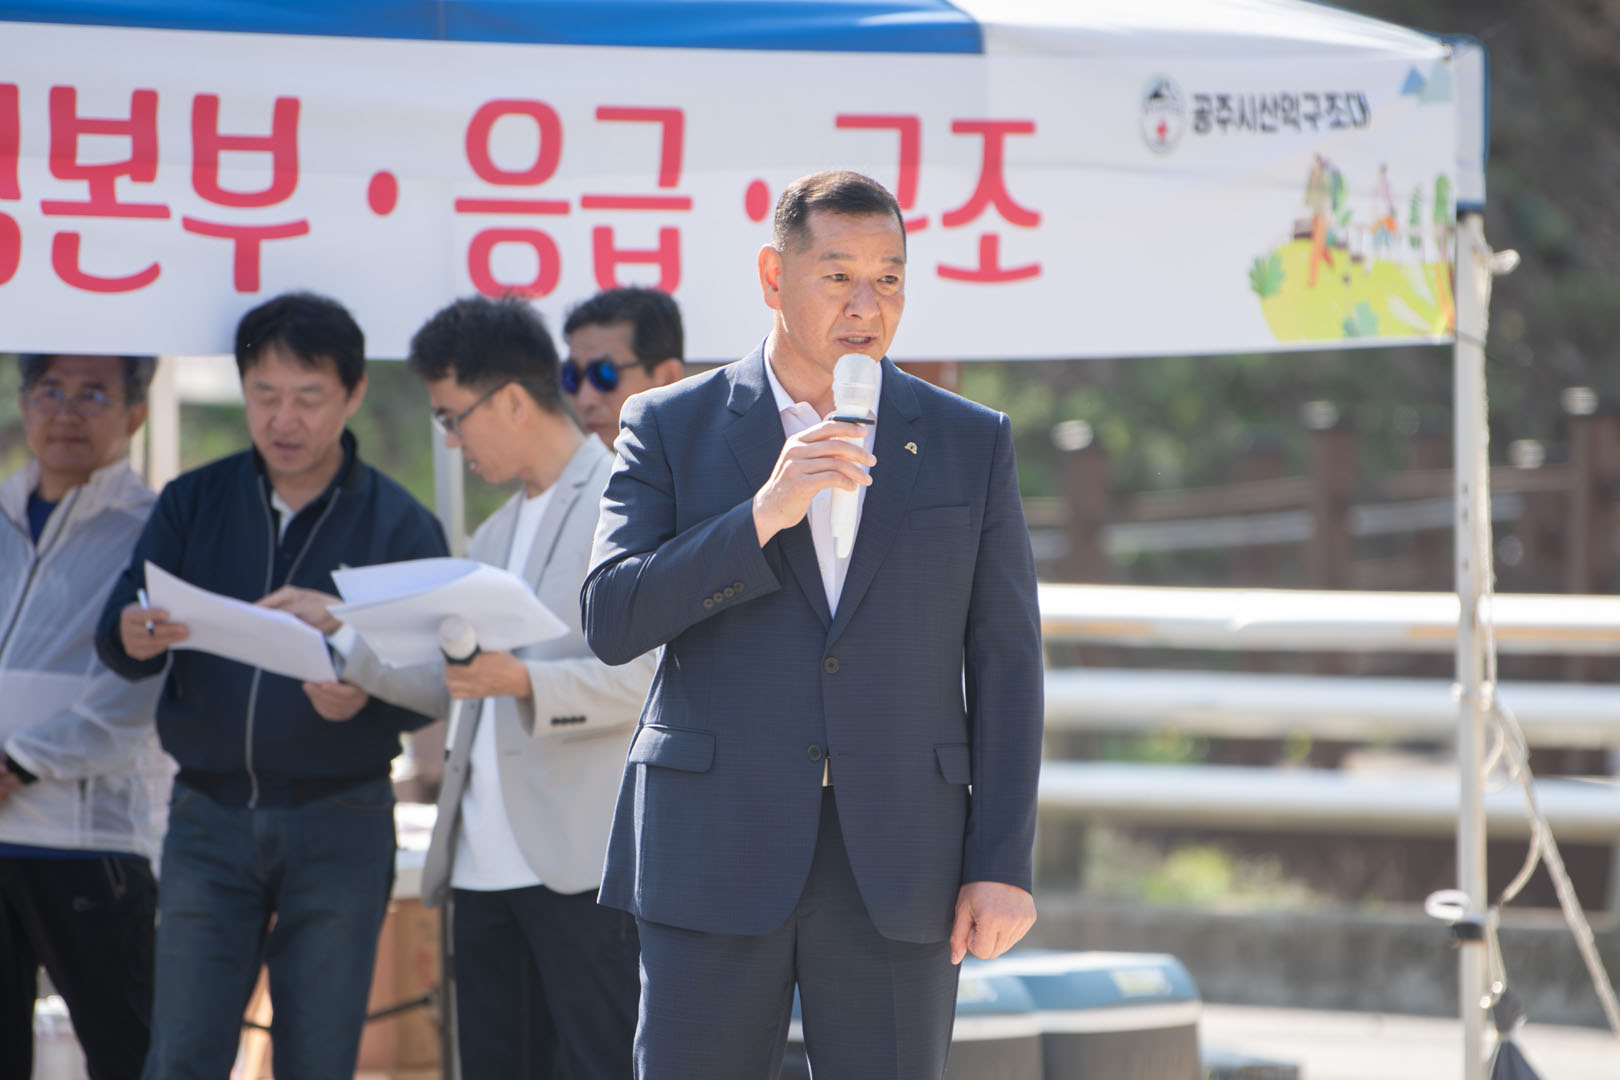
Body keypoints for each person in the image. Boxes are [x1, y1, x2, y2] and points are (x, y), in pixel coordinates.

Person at [581, 170, 1044, 1079]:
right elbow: (613, 615)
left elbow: (1007, 663)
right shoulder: (670, 424)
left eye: (889, 279)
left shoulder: (968, 440)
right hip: (713, 843)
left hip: (901, 857)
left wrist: (1002, 860)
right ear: (773, 277)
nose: (866, 305)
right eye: (837, 276)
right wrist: (762, 513)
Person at [93, 292, 448, 1080]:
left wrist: (365, 691)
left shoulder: (398, 525)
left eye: (308, 397)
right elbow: (121, 628)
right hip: (206, 817)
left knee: (317, 1058)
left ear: (353, 394)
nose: (283, 420)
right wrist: (130, 632)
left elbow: (437, 681)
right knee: (181, 1054)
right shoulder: (194, 500)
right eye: (264, 395)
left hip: (341, 820)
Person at [337, 296, 653, 1079]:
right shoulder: (493, 532)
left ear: (512, 401)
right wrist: (339, 640)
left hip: (581, 863)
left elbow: (651, 681)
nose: (450, 439)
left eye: (453, 417)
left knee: (602, 1065)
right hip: (479, 863)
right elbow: (460, 686)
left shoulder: (625, 502)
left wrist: (522, 679)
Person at [1, 354, 167, 1080]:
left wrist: (21, 763)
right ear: (24, 402)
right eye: (51, 390)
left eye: (94, 393)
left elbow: (138, 688)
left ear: (136, 413)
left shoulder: (154, 529)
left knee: (129, 1053)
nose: (67, 411)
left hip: (88, 840)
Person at [561, 286, 685, 447]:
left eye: (604, 375)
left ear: (668, 379)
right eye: (572, 376)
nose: (585, 401)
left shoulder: (710, 459)